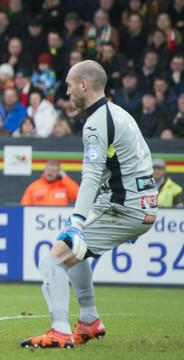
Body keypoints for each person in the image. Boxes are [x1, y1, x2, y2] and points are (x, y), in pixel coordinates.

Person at [22, 60, 158, 349]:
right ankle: (89, 321)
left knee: (53, 259)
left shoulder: (96, 123)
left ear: (84, 84)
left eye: (70, 84)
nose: (67, 91)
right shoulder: (118, 114)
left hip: (124, 207)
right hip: (137, 204)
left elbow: (93, 174)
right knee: (76, 253)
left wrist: (77, 221)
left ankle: (60, 331)